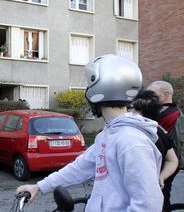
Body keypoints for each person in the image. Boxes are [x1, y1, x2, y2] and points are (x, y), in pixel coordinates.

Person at [16, 54, 163, 211]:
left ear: (103, 87)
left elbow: (148, 205)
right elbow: (79, 167)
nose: (88, 90)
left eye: (90, 84)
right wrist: (39, 186)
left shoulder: (131, 142)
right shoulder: (108, 135)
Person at [128, 90, 179, 191]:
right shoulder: (159, 131)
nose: (125, 110)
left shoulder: (130, 133)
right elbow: (172, 160)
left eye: (129, 107)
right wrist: (162, 177)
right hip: (155, 189)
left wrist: (161, 176)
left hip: (137, 191)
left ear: (140, 111)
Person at [148, 81, 182, 209]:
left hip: (166, 164)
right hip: (159, 162)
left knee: (161, 196)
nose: (150, 98)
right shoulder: (161, 111)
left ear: (166, 94)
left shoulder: (173, 115)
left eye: (153, 94)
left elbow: (175, 146)